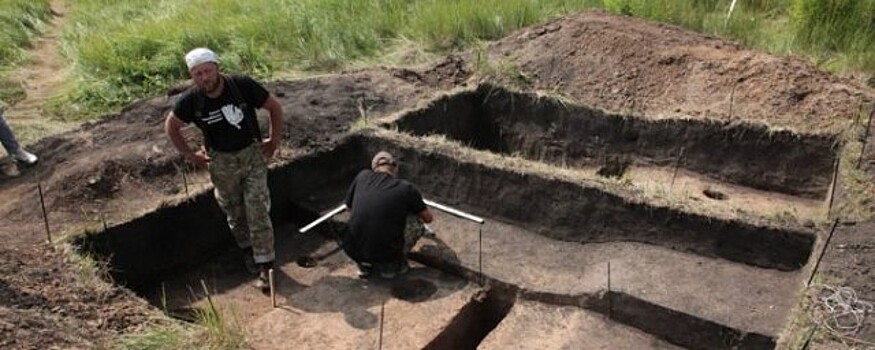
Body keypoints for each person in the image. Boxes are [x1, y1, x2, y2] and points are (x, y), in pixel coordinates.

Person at [164, 48, 283, 292]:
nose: (204, 77)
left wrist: (273, 140)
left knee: (257, 208)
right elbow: (172, 126)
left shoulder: (240, 85)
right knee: (235, 210)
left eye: (207, 71)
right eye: (198, 74)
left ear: (217, 67)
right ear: (192, 76)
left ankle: (265, 264)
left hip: (251, 157)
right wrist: (191, 155)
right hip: (221, 163)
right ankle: (248, 250)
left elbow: (274, 107)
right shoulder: (192, 100)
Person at [342, 151, 434, 279]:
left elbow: (348, 208)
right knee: (416, 222)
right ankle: (392, 267)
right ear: (395, 168)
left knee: (360, 219)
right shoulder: (406, 188)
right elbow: (428, 219)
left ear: (374, 168)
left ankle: (364, 267)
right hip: (386, 254)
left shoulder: (362, 176)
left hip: (352, 249)